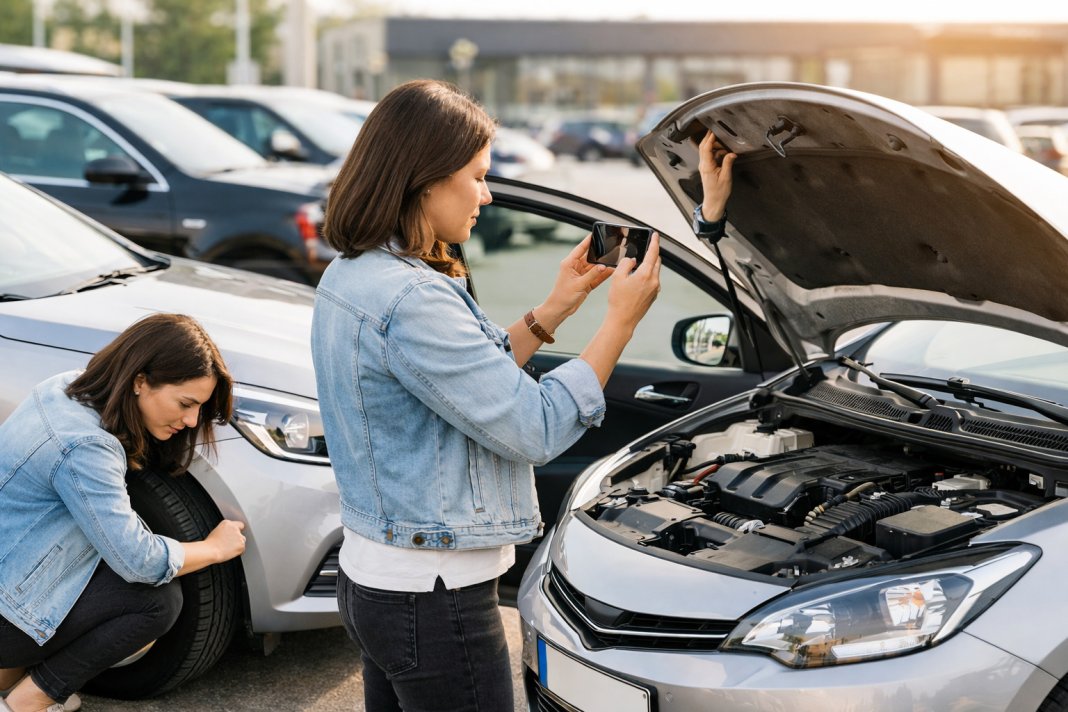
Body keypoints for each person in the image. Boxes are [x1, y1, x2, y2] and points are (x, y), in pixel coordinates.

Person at [311, 78, 664, 711]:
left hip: (374, 580)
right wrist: (619, 324)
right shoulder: (414, 297)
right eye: (476, 176)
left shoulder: (355, 272)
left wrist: (556, 307)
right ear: (425, 180)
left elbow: (462, 381)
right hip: (434, 596)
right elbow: (535, 426)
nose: (488, 193)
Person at [0, 314, 246, 712]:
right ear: (140, 381)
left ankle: (8, 677)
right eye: (185, 404)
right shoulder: (86, 446)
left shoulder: (65, 386)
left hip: (9, 577)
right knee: (157, 601)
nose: (191, 421)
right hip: (8, 609)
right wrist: (214, 548)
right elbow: (141, 563)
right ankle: (28, 701)